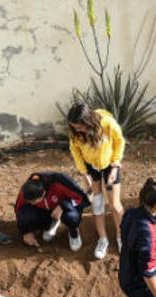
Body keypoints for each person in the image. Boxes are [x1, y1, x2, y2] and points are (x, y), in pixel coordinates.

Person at [67, 102, 126, 260]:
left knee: (114, 204)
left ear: (89, 121)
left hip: (109, 165)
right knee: (97, 203)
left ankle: (122, 237)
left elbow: (119, 142)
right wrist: (84, 173)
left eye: (80, 127)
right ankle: (103, 239)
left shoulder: (107, 123)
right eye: (74, 127)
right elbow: (76, 151)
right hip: (91, 167)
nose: (77, 130)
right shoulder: (75, 133)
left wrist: (114, 167)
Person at [14, 172, 91, 251]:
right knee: (26, 213)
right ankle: (52, 223)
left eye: (34, 201)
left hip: (65, 209)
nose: (31, 203)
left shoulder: (60, 183)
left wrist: (62, 205)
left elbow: (82, 199)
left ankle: (74, 232)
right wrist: (26, 232)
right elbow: (19, 210)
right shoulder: (27, 191)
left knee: (71, 217)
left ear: (43, 193)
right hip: (46, 211)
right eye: (29, 201)